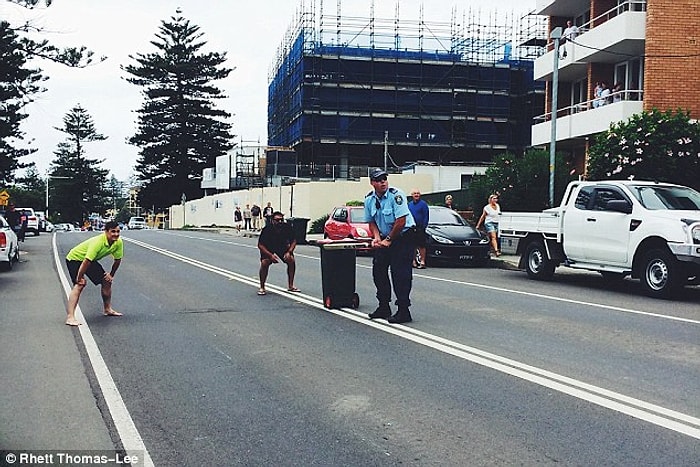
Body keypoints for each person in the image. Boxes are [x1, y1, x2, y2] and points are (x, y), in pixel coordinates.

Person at [364, 168, 416, 324]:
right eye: (379, 180)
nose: (383, 182)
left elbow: (401, 221)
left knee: (400, 274)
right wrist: (377, 237)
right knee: (378, 270)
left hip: (403, 236)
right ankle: (383, 306)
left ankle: (403, 310)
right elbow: (371, 221)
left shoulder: (396, 195)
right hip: (386, 237)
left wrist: (388, 239)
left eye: (384, 179)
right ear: (372, 182)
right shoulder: (369, 200)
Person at [64, 220, 124, 326]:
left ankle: (107, 309)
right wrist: (79, 277)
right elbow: (86, 261)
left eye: (118, 231)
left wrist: (111, 275)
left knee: (106, 280)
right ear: (106, 232)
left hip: (89, 261)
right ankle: (70, 317)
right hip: (74, 258)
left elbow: (117, 260)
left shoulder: (118, 242)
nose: (116, 234)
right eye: (113, 231)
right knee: (80, 285)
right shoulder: (98, 242)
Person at [257, 211, 300, 295]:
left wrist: (289, 252)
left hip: (281, 246)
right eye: (277, 220)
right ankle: (262, 286)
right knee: (265, 263)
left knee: (291, 260)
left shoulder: (287, 227)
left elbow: (294, 240)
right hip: (268, 247)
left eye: (281, 220)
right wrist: (270, 256)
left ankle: (290, 286)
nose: (280, 222)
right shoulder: (267, 229)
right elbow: (260, 245)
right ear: (272, 220)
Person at [408, 188, 429, 269]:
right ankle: (413, 261)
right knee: (412, 245)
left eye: (418, 193)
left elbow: (426, 216)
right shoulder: (409, 205)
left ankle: (422, 262)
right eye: (415, 193)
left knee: (421, 245)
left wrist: (424, 226)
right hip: (411, 227)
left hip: (420, 228)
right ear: (412, 195)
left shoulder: (423, 204)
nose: (416, 195)